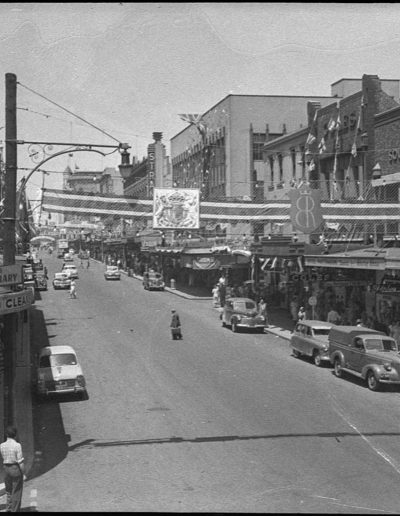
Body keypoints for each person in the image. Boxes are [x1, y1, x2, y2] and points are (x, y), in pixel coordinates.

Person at [0, 425, 25, 512]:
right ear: (15, 435)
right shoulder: (17, 445)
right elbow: (20, 462)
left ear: (6, 434)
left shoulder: (2, 445)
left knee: (9, 490)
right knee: (16, 492)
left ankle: (9, 509)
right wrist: (23, 473)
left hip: (6, 469)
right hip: (15, 469)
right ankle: (15, 510)